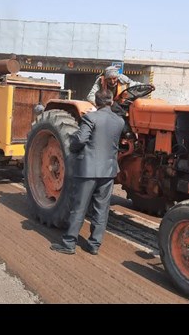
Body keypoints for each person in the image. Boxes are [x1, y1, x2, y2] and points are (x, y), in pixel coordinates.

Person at [50, 89, 125, 255]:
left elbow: (80, 139)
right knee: (101, 209)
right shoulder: (119, 121)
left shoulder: (90, 117)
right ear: (111, 102)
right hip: (108, 171)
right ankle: (94, 245)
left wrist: (73, 143)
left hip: (88, 169)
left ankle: (69, 243)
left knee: (79, 207)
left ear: (95, 103)